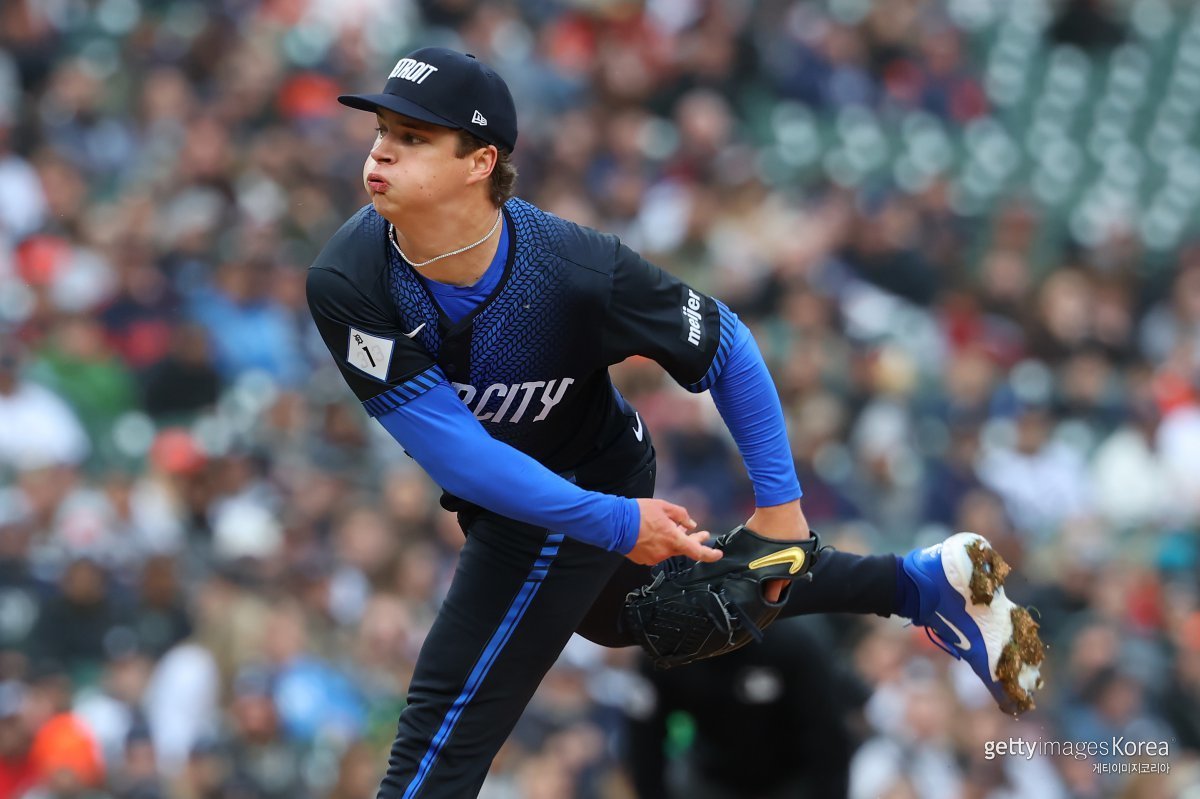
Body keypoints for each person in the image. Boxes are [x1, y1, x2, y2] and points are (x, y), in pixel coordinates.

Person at [306, 47, 1045, 799]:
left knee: (438, 742)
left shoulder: (570, 268)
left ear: (481, 161)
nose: (382, 150)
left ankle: (914, 584)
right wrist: (619, 525)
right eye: (382, 130)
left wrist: (781, 507)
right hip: (526, 488)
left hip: (590, 472)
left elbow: (726, 345)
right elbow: (461, 457)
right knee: (644, 615)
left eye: (413, 136)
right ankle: (921, 583)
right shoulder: (351, 279)